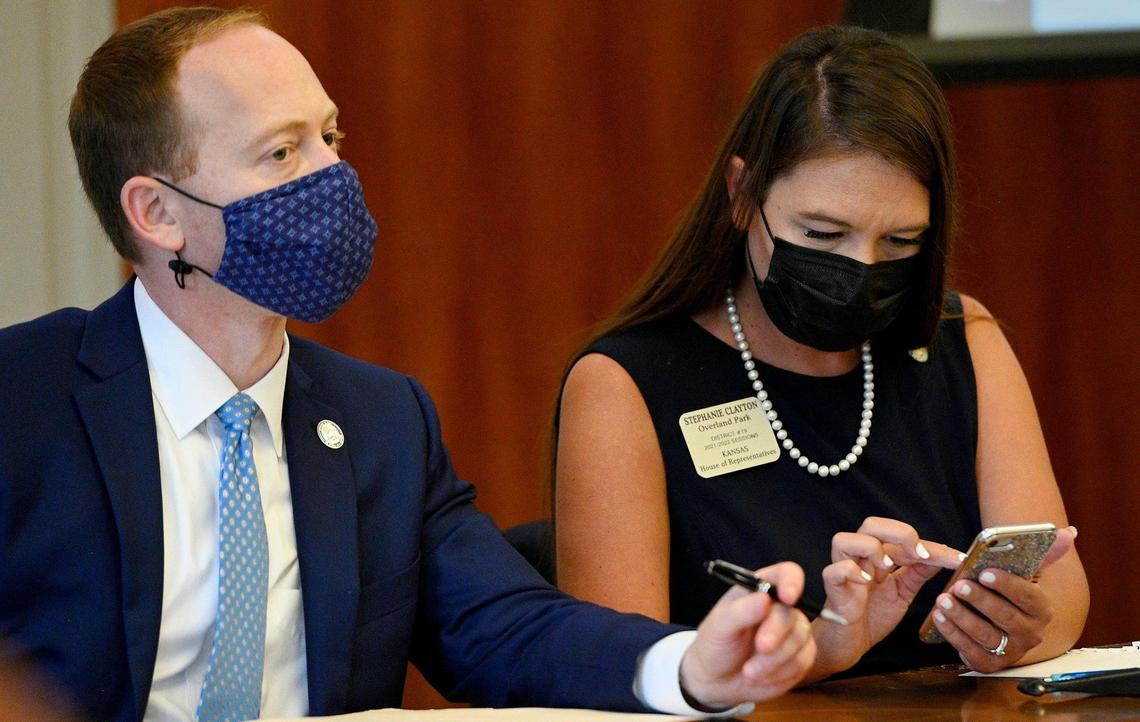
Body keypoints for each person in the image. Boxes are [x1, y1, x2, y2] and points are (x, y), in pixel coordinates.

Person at [0, 7, 820, 721]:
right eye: (280, 154)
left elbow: (507, 626)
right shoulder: (23, 399)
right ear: (157, 213)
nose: (334, 175)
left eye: (330, 135)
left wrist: (691, 666)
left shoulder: (381, 420)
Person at [553, 25, 1089, 682]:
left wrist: (1017, 629)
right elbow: (623, 669)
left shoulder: (960, 338)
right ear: (743, 195)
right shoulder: (627, 383)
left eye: (899, 241)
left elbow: (1062, 594)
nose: (861, 268)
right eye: (823, 233)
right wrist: (823, 648)